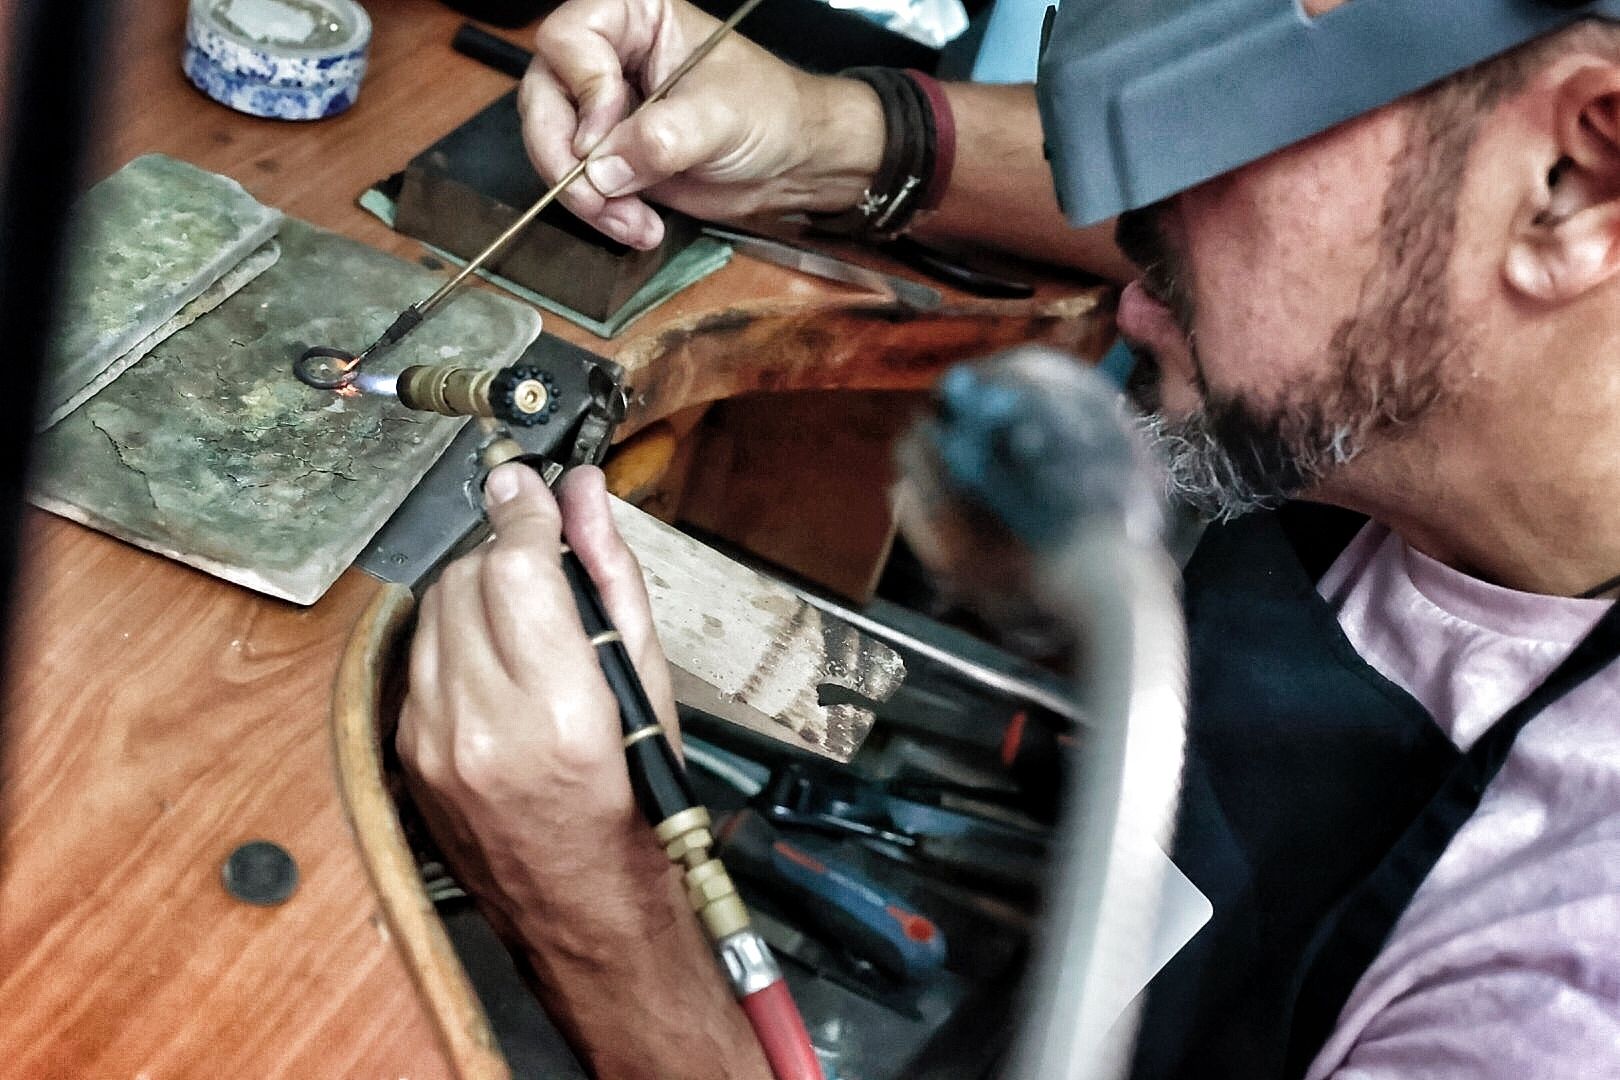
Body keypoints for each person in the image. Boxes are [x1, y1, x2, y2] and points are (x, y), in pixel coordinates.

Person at [397, 0, 1620, 1076]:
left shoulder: (1556, 1006)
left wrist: (597, 919)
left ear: (1576, 181)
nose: (1130, 276)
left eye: (1228, 137)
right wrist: (835, 132)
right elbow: (1369, 221)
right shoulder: (1440, 377)